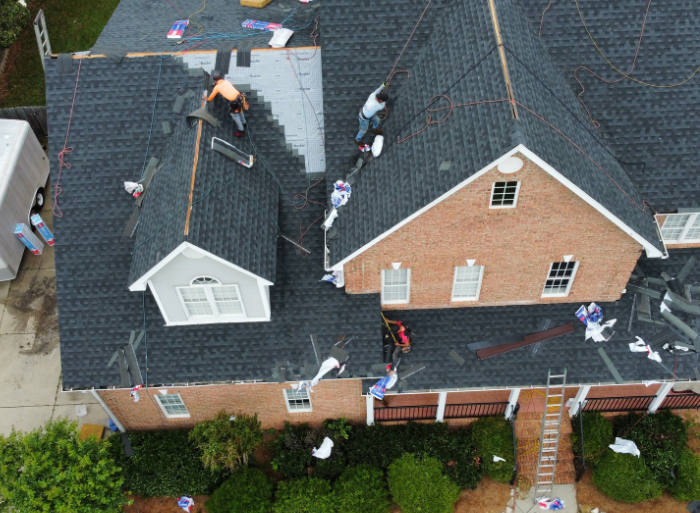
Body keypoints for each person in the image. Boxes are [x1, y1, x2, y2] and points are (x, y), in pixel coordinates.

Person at [203, 71, 247, 137]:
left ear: (215, 80)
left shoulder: (217, 88)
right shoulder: (226, 81)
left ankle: (241, 130)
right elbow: (226, 87)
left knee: (235, 116)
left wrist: (206, 98)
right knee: (241, 111)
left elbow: (210, 98)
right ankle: (244, 123)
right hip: (240, 98)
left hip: (234, 103)